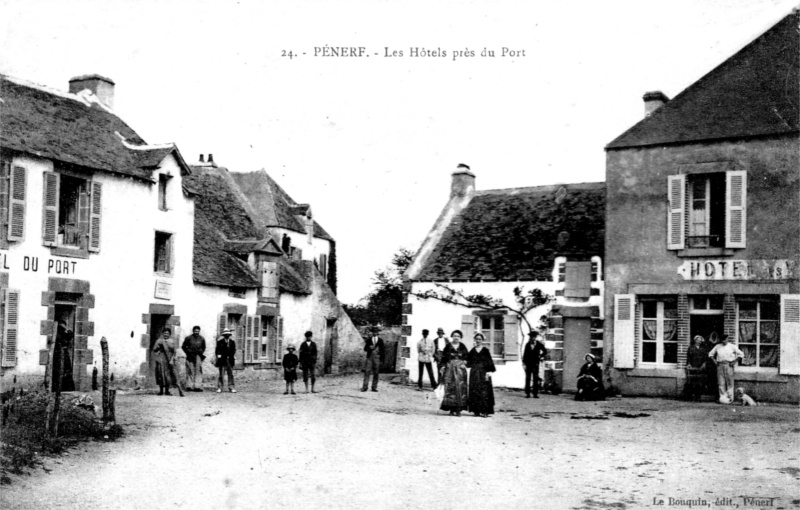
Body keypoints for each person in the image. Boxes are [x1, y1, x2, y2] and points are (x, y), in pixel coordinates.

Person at [439, 330, 469, 416]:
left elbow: (467, 357)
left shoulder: (463, 346)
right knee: (450, 388)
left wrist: (465, 363)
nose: (456, 337)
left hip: (460, 369)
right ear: (452, 336)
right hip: (450, 368)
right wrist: (443, 366)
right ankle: (451, 409)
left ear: (460, 338)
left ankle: (458, 409)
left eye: (458, 336)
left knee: (460, 388)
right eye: (455, 336)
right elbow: (444, 357)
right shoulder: (448, 346)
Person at [708, 334, 744, 404]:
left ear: (727, 339)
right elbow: (710, 354)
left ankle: (730, 399)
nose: (723, 341)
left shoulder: (732, 346)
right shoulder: (718, 346)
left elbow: (741, 354)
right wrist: (715, 362)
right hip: (720, 365)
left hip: (729, 365)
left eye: (725, 340)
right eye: (722, 340)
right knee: (721, 382)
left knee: (730, 382)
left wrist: (734, 362)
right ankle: (723, 399)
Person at [467, 333, 496, 417]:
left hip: (483, 373)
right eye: (477, 339)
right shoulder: (472, 350)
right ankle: (476, 411)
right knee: (475, 390)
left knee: (484, 392)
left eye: (480, 339)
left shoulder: (486, 350)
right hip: (474, 373)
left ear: (482, 340)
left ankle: (485, 411)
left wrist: (488, 372)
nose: (478, 340)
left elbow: (489, 362)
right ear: (475, 340)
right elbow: (468, 362)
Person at [152, 328, 184, 397]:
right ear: (162, 333)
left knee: (168, 375)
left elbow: (174, 352)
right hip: (161, 359)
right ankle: (161, 391)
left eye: (167, 333)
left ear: (169, 334)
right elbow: (154, 349)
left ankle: (167, 391)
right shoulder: (159, 341)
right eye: (164, 333)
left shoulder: (172, 341)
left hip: (169, 360)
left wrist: (172, 359)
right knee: (161, 374)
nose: (166, 334)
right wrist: (159, 350)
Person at [522, 331, 547, 398]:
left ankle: (535, 394)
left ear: (535, 337)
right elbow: (525, 354)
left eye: (534, 337)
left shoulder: (539, 344)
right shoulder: (527, 344)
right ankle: (527, 393)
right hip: (528, 364)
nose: (532, 338)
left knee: (535, 378)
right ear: (530, 337)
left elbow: (545, 351)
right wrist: (524, 363)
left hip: (536, 363)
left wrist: (540, 356)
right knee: (528, 378)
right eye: (531, 337)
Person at [181, 326, 206, 392]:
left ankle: (197, 386)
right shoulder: (188, 338)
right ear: (193, 331)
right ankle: (189, 386)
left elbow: (204, 347)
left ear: (199, 331)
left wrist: (200, 352)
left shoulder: (202, 338)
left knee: (198, 371)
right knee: (190, 370)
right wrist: (188, 352)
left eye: (197, 331)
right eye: (195, 331)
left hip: (198, 356)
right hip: (190, 356)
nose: (196, 332)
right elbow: (183, 346)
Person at [53, 320, 76, 392]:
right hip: (57, 353)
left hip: (64, 353)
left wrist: (66, 330)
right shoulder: (58, 333)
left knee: (66, 370)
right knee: (58, 370)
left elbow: (71, 335)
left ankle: (65, 387)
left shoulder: (64, 332)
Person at [362, 326, 385, 392]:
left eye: (376, 332)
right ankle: (365, 387)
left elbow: (383, 351)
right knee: (367, 372)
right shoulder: (369, 340)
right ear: (372, 333)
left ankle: (374, 387)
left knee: (376, 373)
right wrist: (370, 348)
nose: (375, 333)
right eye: (373, 332)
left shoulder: (380, 340)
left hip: (377, 358)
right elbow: (365, 349)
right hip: (369, 357)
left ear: (378, 333)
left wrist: (382, 360)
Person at [685, 335, 708, 401]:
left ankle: (698, 396)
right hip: (693, 366)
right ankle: (692, 396)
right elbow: (688, 357)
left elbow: (705, 357)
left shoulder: (703, 349)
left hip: (700, 367)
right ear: (695, 340)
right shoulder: (691, 348)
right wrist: (689, 363)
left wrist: (704, 364)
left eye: (700, 340)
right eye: (698, 340)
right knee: (692, 382)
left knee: (699, 382)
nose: (699, 341)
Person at [215, 328, 237, 393]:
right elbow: (217, 351)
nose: (227, 336)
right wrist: (219, 355)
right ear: (223, 335)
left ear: (229, 335)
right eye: (225, 334)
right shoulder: (220, 342)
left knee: (230, 374)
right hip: (222, 360)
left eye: (228, 334)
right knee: (221, 374)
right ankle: (220, 387)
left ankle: (231, 387)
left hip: (230, 360)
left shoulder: (232, 342)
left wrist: (231, 356)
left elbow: (233, 350)